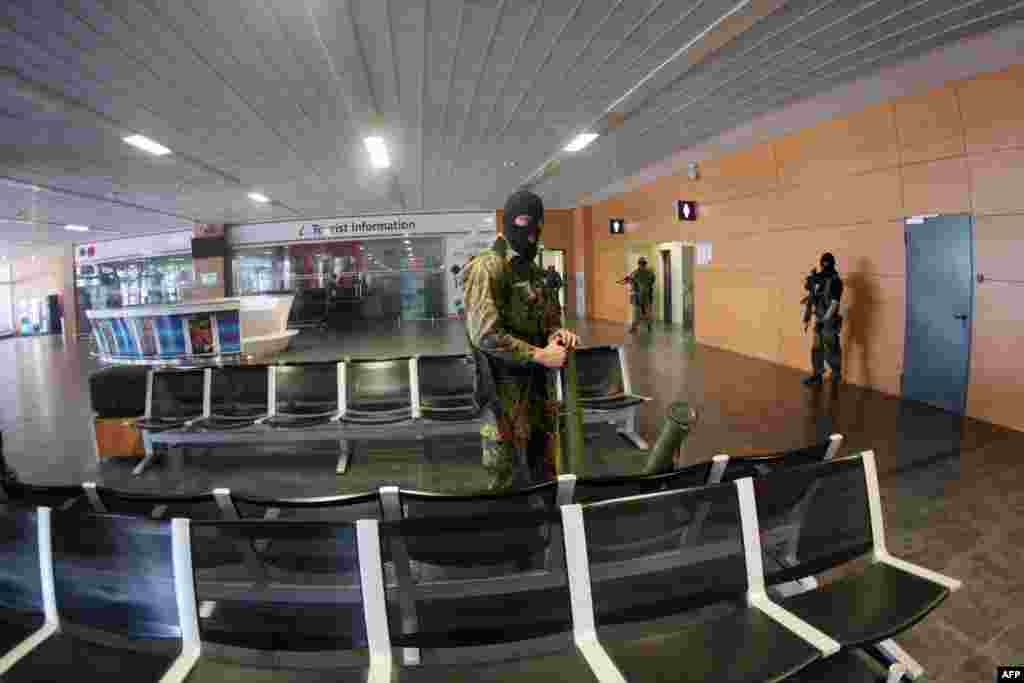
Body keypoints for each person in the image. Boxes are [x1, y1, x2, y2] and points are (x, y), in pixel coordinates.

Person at [462, 190, 579, 490]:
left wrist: (557, 334)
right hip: (502, 397)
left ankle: (548, 534)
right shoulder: (488, 267)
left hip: (538, 394)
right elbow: (485, 335)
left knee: (544, 475)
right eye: (524, 222)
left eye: (537, 225)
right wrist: (540, 355)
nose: (531, 232)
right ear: (508, 222)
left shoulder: (535, 271)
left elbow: (550, 320)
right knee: (506, 483)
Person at [802, 252, 843, 385]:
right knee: (817, 348)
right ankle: (817, 374)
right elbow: (811, 293)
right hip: (819, 318)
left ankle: (836, 374)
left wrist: (825, 319)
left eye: (827, 263)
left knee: (831, 349)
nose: (825, 265)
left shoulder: (836, 281)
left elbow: (835, 303)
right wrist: (810, 282)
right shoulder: (819, 278)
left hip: (829, 321)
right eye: (823, 262)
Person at [619, 257, 655, 332]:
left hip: (638, 296)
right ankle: (648, 325)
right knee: (646, 311)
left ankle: (634, 327)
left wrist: (624, 281)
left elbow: (629, 279)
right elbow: (651, 282)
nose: (641, 265)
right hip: (646, 295)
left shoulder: (636, 272)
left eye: (642, 264)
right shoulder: (650, 272)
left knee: (637, 312)